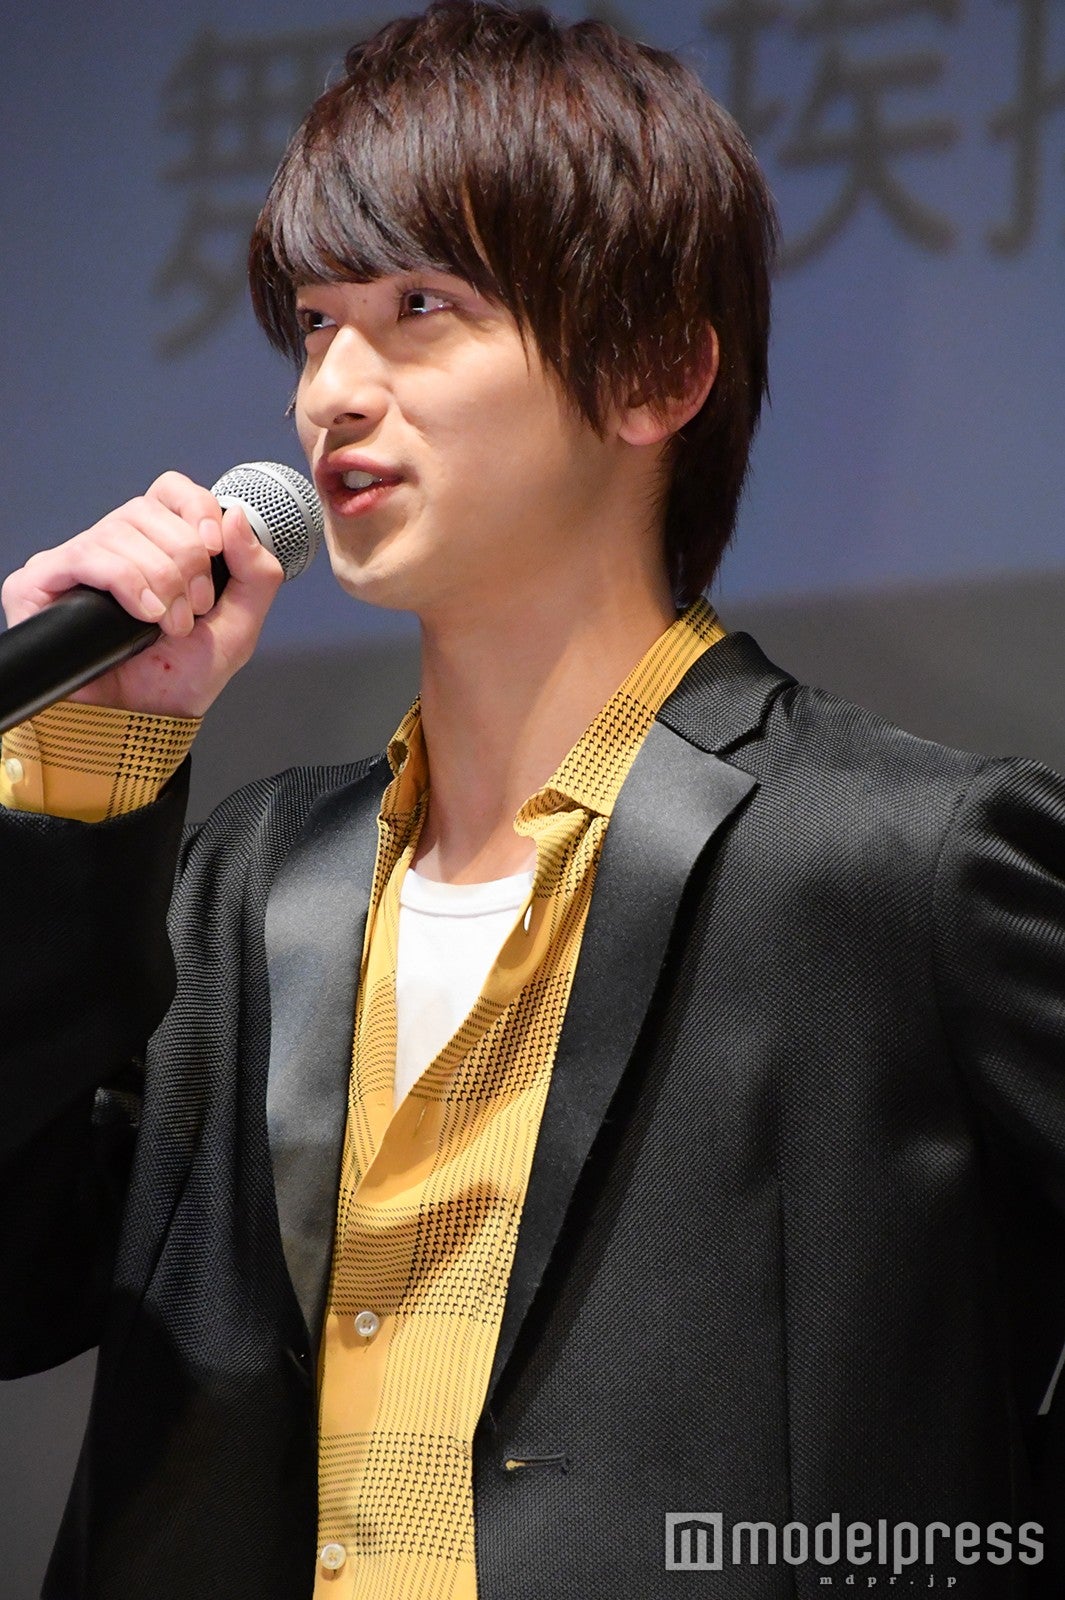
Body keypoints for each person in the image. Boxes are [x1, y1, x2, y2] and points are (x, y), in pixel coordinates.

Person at [1, 3, 1063, 1596]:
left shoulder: (898, 866)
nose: (333, 391)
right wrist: (84, 761)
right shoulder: (250, 886)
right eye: (314, 323)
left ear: (655, 372)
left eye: (419, 308)